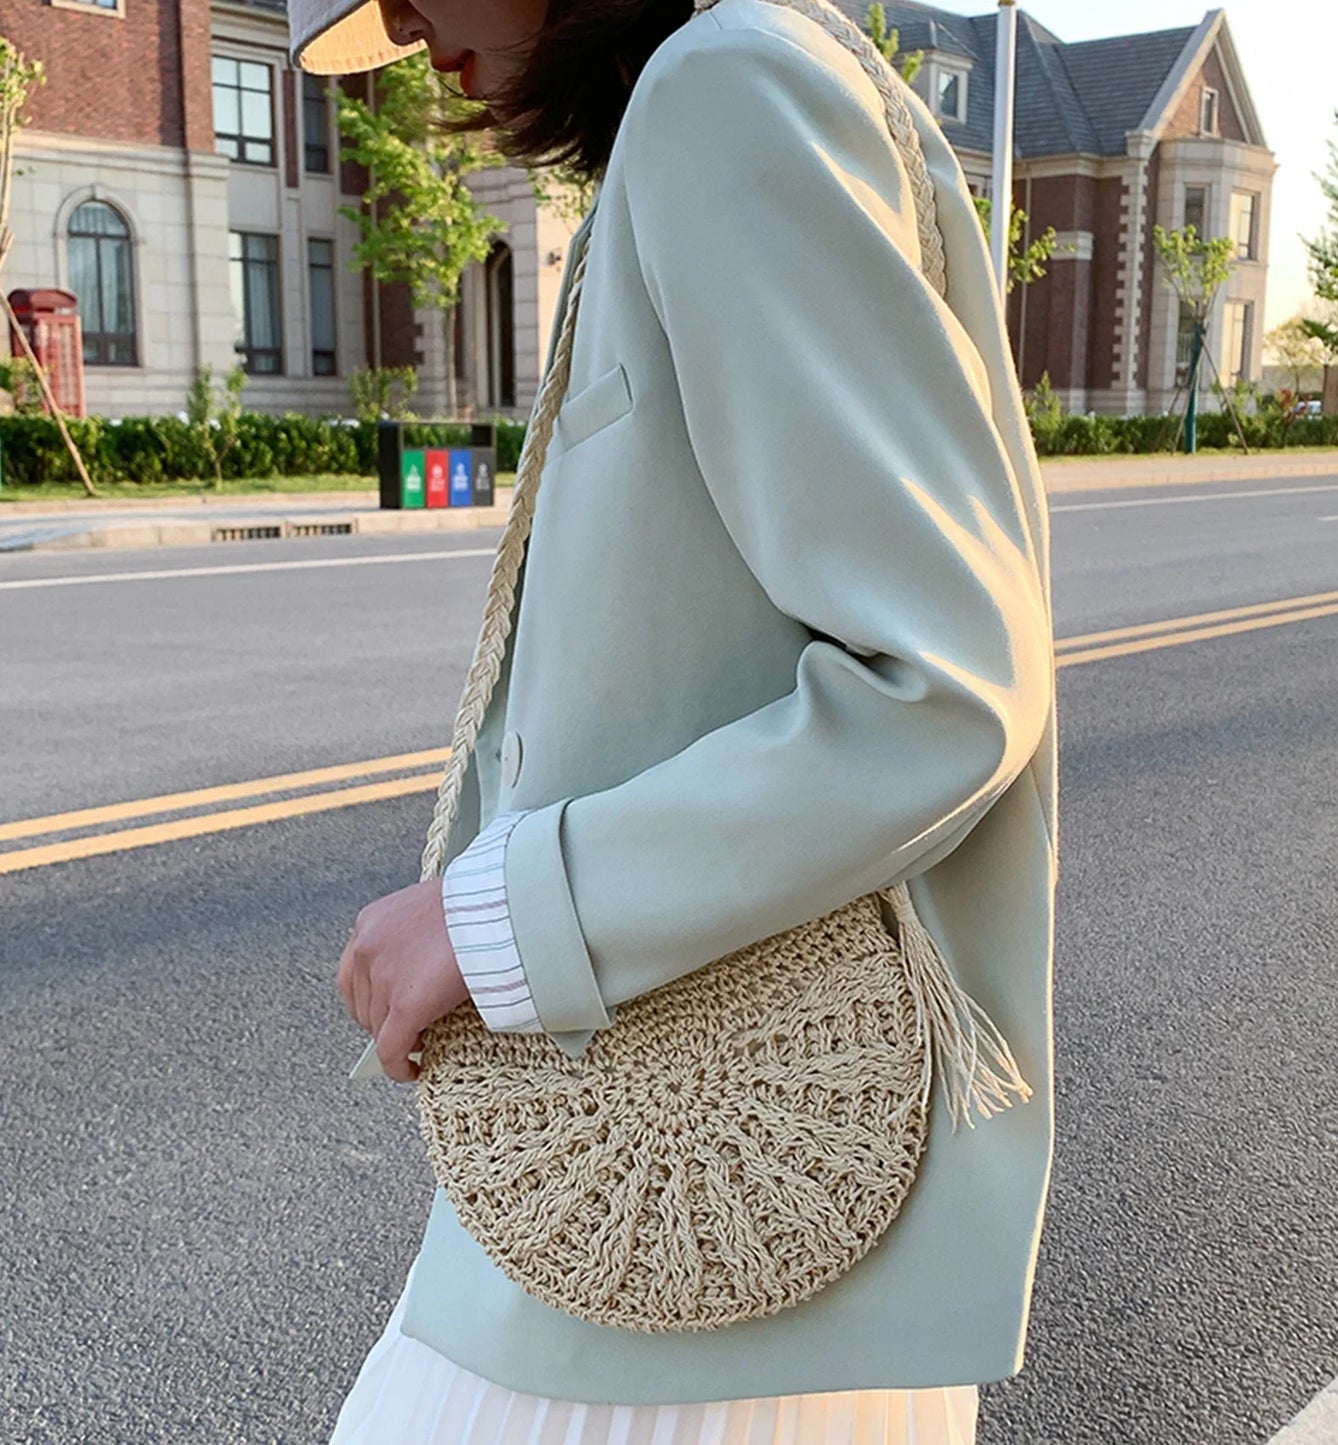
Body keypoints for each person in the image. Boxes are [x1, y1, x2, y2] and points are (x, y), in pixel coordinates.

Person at [293, 0, 1059, 1438]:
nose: (396, 23)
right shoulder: (748, 82)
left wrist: (494, 919)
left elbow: (944, 680)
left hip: (691, 1247)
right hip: (722, 1197)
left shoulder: (727, 88)